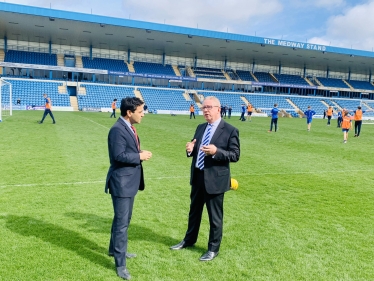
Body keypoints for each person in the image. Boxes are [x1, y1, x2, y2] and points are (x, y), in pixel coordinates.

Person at [170, 96, 240, 262]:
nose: (205, 110)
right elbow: (195, 149)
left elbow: (235, 155)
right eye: (203, 108)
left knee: (215, 217)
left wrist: (216, 151)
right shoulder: (201, 127)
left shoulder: (230, 130)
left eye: (209, 107)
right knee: (194, 212)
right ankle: (189, 240)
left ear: (218, 108)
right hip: (198, 176)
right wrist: (190, 149)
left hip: (215, 180)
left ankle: (213, 249)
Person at [105, 97, 152, 280]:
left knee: (122, 220)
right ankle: (120, 264)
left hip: (129, 182)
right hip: (121, 183)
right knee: (122, 223)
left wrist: (138, 154)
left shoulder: (128, 127)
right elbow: (118, 155)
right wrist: (140, 156)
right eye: (140, 112)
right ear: (129, 112)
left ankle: (114, 250)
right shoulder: (117, 130)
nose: (143, 114)